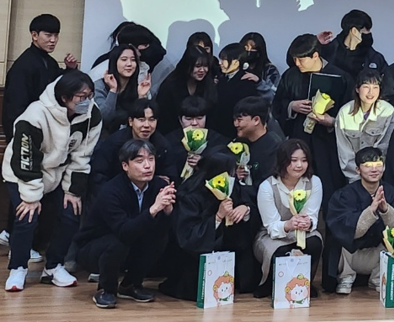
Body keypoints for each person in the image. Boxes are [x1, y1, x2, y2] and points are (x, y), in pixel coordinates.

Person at [2, 70, 102, 292]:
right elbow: (25, 159)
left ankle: (54, 266)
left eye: (90, 95)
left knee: (70, 213)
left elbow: (82, 155)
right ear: (65, 97)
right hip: (22, 173)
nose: (87, 101)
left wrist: (72, 190)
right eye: (82, 97)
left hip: (57, 173)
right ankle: (18, 268)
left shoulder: (92, 115)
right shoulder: (35, 115)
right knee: (27, 216)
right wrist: (31, 197)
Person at [75, 139, 176, 308]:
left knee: (160, 238)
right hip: (94, 247)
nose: (147, 166)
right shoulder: (111, 191)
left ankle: (131, 284)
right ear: (125, 166)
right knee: (118, 241)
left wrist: (168, 211)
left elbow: (166, 228)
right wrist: (154, 209)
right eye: (139, 161)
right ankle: (106, 289)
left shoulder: (159, 186)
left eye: (151, 159)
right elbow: (124, 231)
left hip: (131, 242)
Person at [159, 148, 257, 300]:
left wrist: (245, 208)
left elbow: (247, 198)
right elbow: (188, 236)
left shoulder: (233, 186)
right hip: (196, 256)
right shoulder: (190, 195)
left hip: (229, 248)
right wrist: (218, 217)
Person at [272, 33, 352, 198]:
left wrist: (332, 122)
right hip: (299, 139)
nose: (297, 63)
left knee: (329, 187)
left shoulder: (340, 77)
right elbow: (277, 104)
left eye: (301, 60)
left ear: (315, 55)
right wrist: (292, 106)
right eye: (295, 59)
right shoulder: (291, 75)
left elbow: (350, 112)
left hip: (328, 144)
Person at [325, 146, 394, 294]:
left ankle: (379, 276)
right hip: (351, 255)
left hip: (378, 253)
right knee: (338, 234)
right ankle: (346, 276)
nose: (374, 169)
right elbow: (340, 226)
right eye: (368, 165)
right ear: (357, 170)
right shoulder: (344, 195)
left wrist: (385, 210)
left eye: (378, 165)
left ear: (384, 167)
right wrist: (370, 211)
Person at [253, 139, 324, 297]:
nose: (299, 165)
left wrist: (308, 222)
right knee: (280, 250)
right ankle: (270, 283)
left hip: (302, 232)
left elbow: (313, 215)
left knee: (315, 241)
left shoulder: (314, 182)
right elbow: (271, 226)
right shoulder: (267, 187)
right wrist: (288, 225)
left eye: (304, 160)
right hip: (273, 235)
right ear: (282, 161)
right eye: (294, 160)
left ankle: (305, 283)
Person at [2, 14, 77, 140]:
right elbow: (15, 106)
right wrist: (19, 134)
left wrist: (71, 69)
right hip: (27, 129)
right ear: (34, 35)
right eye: (48, 35)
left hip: (44, 127)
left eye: (56, 35)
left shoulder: (50, 62)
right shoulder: (23, 65)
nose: (53, 40)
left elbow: (61, 85)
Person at [90, 99, 175, 194]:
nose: (147, 125)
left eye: (151, 120)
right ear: (131, 121)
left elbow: (169, 176)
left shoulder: (162, 145)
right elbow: (99, 174)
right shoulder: (114, 143)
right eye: (141, 120)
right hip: (115, 193)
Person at [336, 69, 394, 182]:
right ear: (357, 89)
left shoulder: (387, 111)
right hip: (353, 176)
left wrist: (373, 174)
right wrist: (357, 177)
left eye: (375, 87)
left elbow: (384, 146)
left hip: (378, 174)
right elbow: (344, 151)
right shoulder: (345, 112)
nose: (370, 92)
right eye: (366, 87)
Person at [154, 45, 217, 135]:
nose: (202, 70)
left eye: (205, 66)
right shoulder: (170, 86)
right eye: (198, 66)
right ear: (187, 65)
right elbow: (164, 118)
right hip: (172, 136)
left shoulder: (209, 84)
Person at [164, 96, 227, 184]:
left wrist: (203, 162)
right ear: (180, 120)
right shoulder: (168, 141)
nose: (194, 123)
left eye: (199, 118)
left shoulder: (218, 141)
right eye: (189, 119)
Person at [94, 44, 152, 134]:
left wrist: (141, 97)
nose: (129, 64)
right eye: (124, 59)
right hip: (102, 135)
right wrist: (113, 90)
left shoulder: (138, 86)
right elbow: (104, 118)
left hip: (130, 135)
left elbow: (142, 120)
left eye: (133, 60)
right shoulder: (100, 85)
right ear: (114, 62)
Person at [209, 42, 261, 137]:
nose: (220, 63)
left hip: (234, 131)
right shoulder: (221, 78)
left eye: (224, 60)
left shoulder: (247, 81)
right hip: (217, 130)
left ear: (236, 62)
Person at [321, 9, 387, 78]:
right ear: (354, 31)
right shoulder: (327, 52)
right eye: (366, 30)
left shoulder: (374, 58)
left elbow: (387, 79)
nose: (369, 34)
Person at [233, 96, 281, 189]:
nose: (236, 124)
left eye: (239, 120)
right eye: (234, 120)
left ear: (256, 120)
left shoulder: (273, 148)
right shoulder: (239, 143)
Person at [239, 32, 280, 102]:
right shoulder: (235, 66)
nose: (249, 51)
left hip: (260, 106)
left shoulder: (270, 70)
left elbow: (274, 95)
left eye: (253, 48)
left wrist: (259, 82)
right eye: (246, 47)